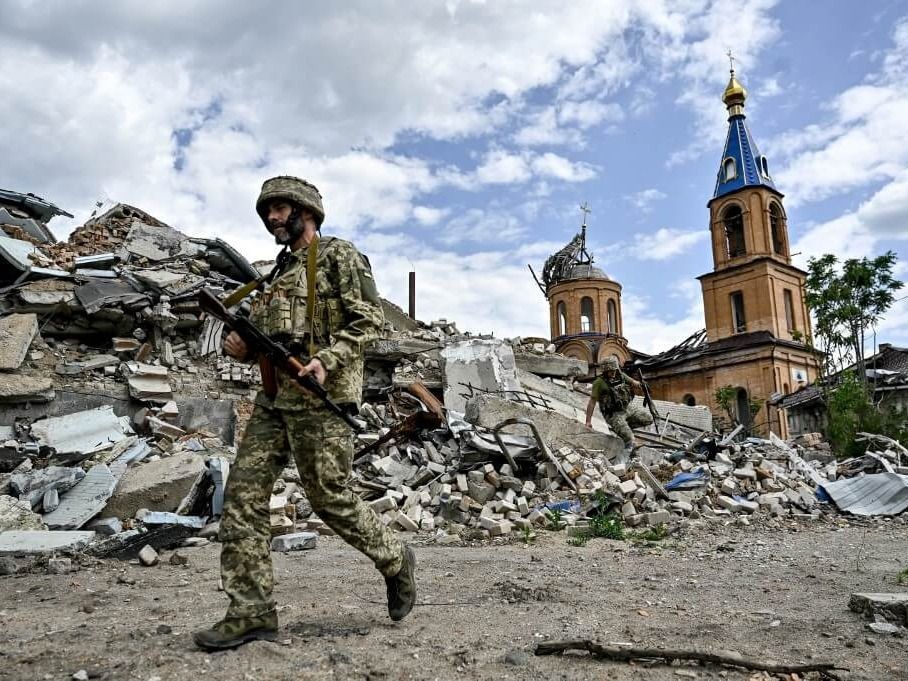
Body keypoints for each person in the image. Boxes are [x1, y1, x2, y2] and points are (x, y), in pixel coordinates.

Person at [194, 176, 416, 651]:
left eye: (280, 208)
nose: (272, 217)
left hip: (323, 396)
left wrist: (327, 360)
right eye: (268, 210)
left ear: (306, 211)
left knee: (329, 499)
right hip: (275, 401)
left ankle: (396, 558)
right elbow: (265, 342)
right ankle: (251, 612)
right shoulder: (274, 275)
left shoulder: (338, 255)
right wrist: (241, 349)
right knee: (242, 497)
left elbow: (368, 319)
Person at [584, 356, 653, 451]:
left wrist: (641, 385)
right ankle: (623, 431)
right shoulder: (599, 383)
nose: (613, 373)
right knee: (630, 440)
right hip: (613, 414)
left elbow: (634, 382)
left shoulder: (620, 375)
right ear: (605, 370)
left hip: (627, 408)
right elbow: (592, 402)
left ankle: (622, 428)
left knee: (648, 419)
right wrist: (588, 421)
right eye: (611, 371)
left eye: (615, 370)